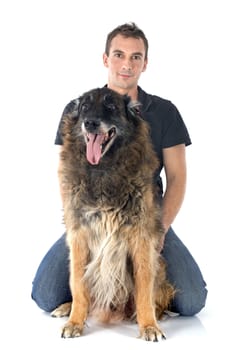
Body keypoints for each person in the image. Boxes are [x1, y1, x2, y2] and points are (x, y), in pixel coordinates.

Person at [31, 22, 207, 316]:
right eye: (119, 54)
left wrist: (159, 229)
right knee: (46, 296)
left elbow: (177, 178)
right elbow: (66, 172)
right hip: (90, 216)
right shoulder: (80, 108)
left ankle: (132, 300)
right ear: (105, 59)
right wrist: (77, 224)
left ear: (145, 63)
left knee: (191, 301)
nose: (127, 64)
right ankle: (96, 298)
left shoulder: (165, 111)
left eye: (135, 56)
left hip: (144, 218)